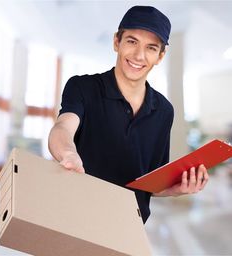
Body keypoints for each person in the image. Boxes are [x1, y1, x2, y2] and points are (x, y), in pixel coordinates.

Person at [48, 5, 209, 223]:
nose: (139, 56)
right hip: (75, 216)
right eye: (132, 41)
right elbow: (63, 127)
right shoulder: (83, 87)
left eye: (151, 48)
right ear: (117, 42)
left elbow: (149, 183)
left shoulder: (164, 110)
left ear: (160, 56)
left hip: (129, 224)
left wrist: (174, 189)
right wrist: (68, 154)